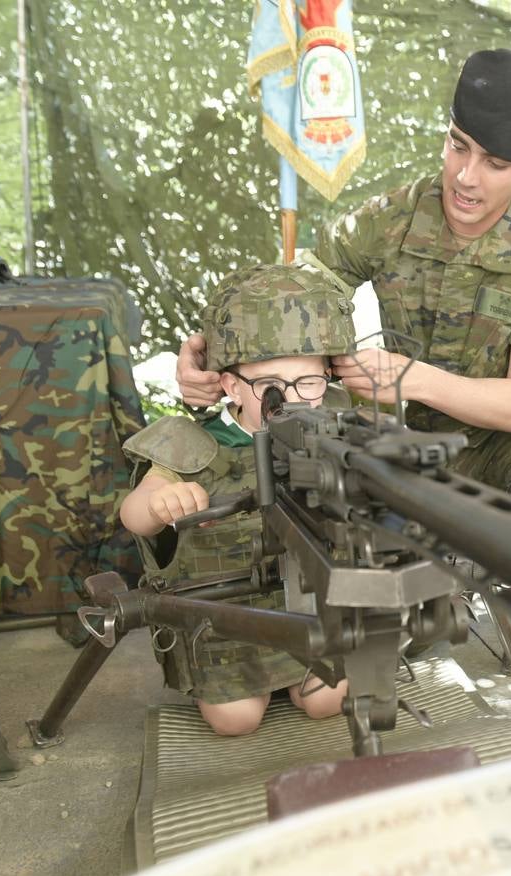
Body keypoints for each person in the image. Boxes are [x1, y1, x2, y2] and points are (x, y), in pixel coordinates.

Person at [177, 49, 511, 523]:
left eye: (495, 163)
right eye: (458, 145)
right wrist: (206, 351)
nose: (466, 177)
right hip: (405, 436)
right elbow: (286, 299)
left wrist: (411, 378)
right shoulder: (387, 220)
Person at [120, 257, 353, 735]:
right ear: (230, 386)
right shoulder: (195, 442)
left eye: (308, 382)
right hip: (227, 623)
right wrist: (162, 502)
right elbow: (133, 518)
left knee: (326, 701)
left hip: (309, 608)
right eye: (269, 385)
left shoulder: (336, 430)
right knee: (236, 721)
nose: (290, 400)